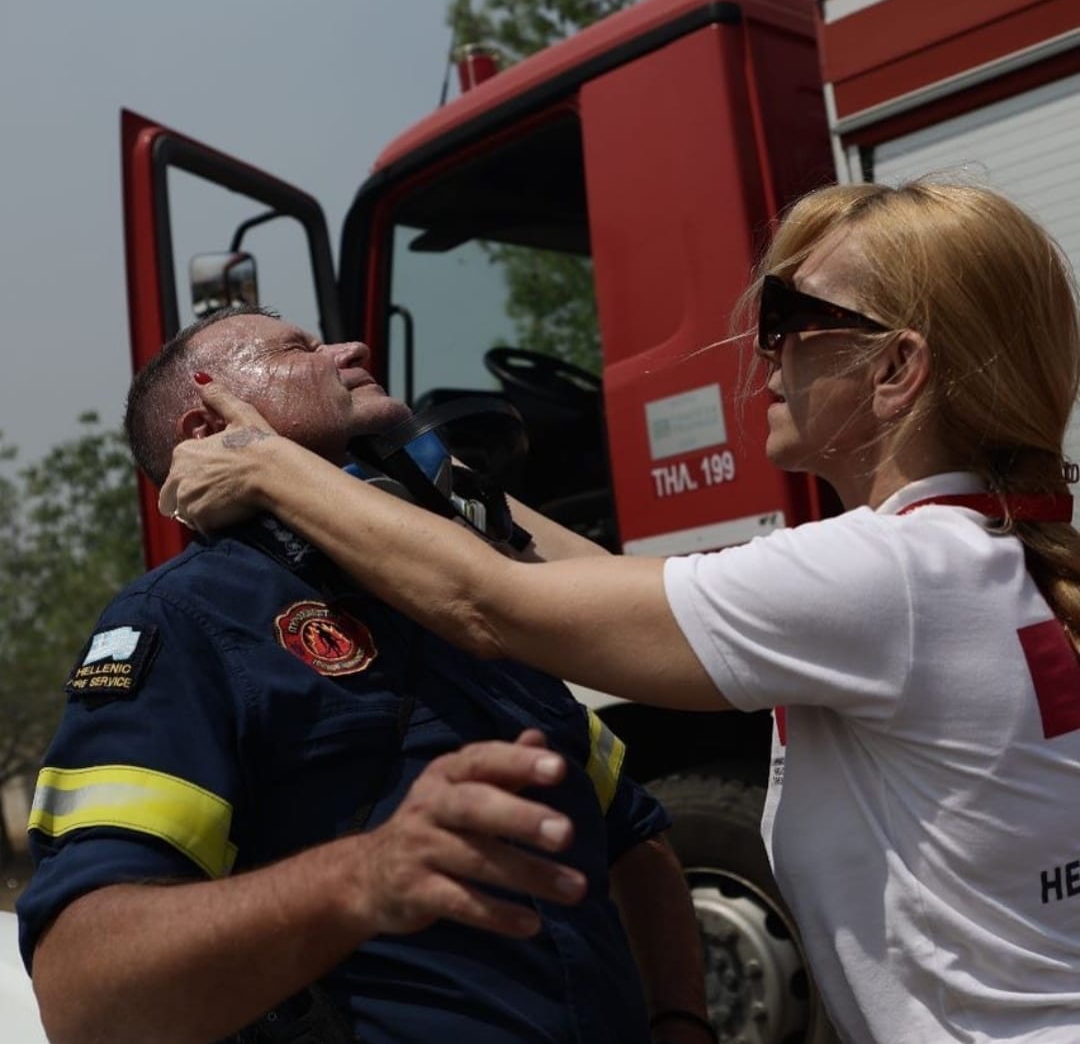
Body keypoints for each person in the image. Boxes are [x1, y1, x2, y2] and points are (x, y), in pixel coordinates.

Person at [161, 179, 1080, 1043]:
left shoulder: (888, 577)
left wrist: (265, 464)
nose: (764, 351)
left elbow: (491, 604)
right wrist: (425, 463)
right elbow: (609, 586)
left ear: (896, 370)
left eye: (789, 319)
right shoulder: (976, 550)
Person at [17, 308, 714, 1044]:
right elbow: (82, 996)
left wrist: (680, 1017)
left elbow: (633, 837)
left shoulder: (458, 591)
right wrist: (365, 877)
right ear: (207, 428)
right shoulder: (182, 618)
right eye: (298, 347)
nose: (352, 348)